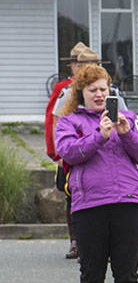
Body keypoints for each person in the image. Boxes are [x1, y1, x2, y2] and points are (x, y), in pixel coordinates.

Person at [53, 63, 138, 283]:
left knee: (127, 270)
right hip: (89, 205)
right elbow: (68, 152)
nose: (99, 95)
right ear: (81, 92)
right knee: (91, 271)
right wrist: (99, 135)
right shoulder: (68, 121)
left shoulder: (128, 118)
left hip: (128, 202)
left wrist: (126, 133)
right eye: (92, 90)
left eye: (103, 89)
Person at [45, 42, 101, 258]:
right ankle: (76, 241)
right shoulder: (65, 91)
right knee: (71, 195)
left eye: (91, 63)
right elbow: (54, 122)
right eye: (80, 64)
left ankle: (95, 241)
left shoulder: (108, 91)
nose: (84, 68)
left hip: (97, 152)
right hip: (72, 151)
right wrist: (57, 154)